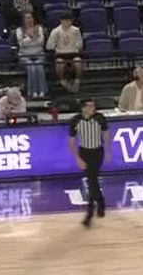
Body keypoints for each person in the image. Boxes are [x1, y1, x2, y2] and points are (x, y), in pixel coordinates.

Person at [68, 98, 111, 227]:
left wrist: (108, 151)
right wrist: (78, 158)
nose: (93, 108)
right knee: (92, 181)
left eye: (93, 106)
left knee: (92, 180)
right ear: (84, 108)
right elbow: (72, 141)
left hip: (97, 152)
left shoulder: (100, 118)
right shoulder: (76, 120)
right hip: (85, 153)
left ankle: (90, 213)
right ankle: (100, 203)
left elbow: (106, 135)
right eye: (90, 106)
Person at [46, 14, 85, 93]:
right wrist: (55, 41)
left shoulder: (76, 30)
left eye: (69, 20)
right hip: (60, 54)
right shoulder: (55, 31)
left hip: (73, 53)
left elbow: (80, 45)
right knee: (59, 64)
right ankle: (63, 82)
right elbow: (49, 46)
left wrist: (75, 44)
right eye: (65, 20)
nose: (67, 22)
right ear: (61, 21)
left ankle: (77, 82)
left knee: (78, 62)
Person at [16, 12, 47, 98]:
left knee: (39, 67)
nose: (29, 20)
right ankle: (32, 92)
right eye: (27, 18)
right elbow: (22, 44)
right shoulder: (19, 30)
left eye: (31, 18)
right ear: (23, 20)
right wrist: (32, 37)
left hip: (39, 53)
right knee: (32, 68)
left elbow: (41, 42)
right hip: (24, 55)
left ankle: (42, 91)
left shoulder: (39, 28)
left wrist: (28, 39)